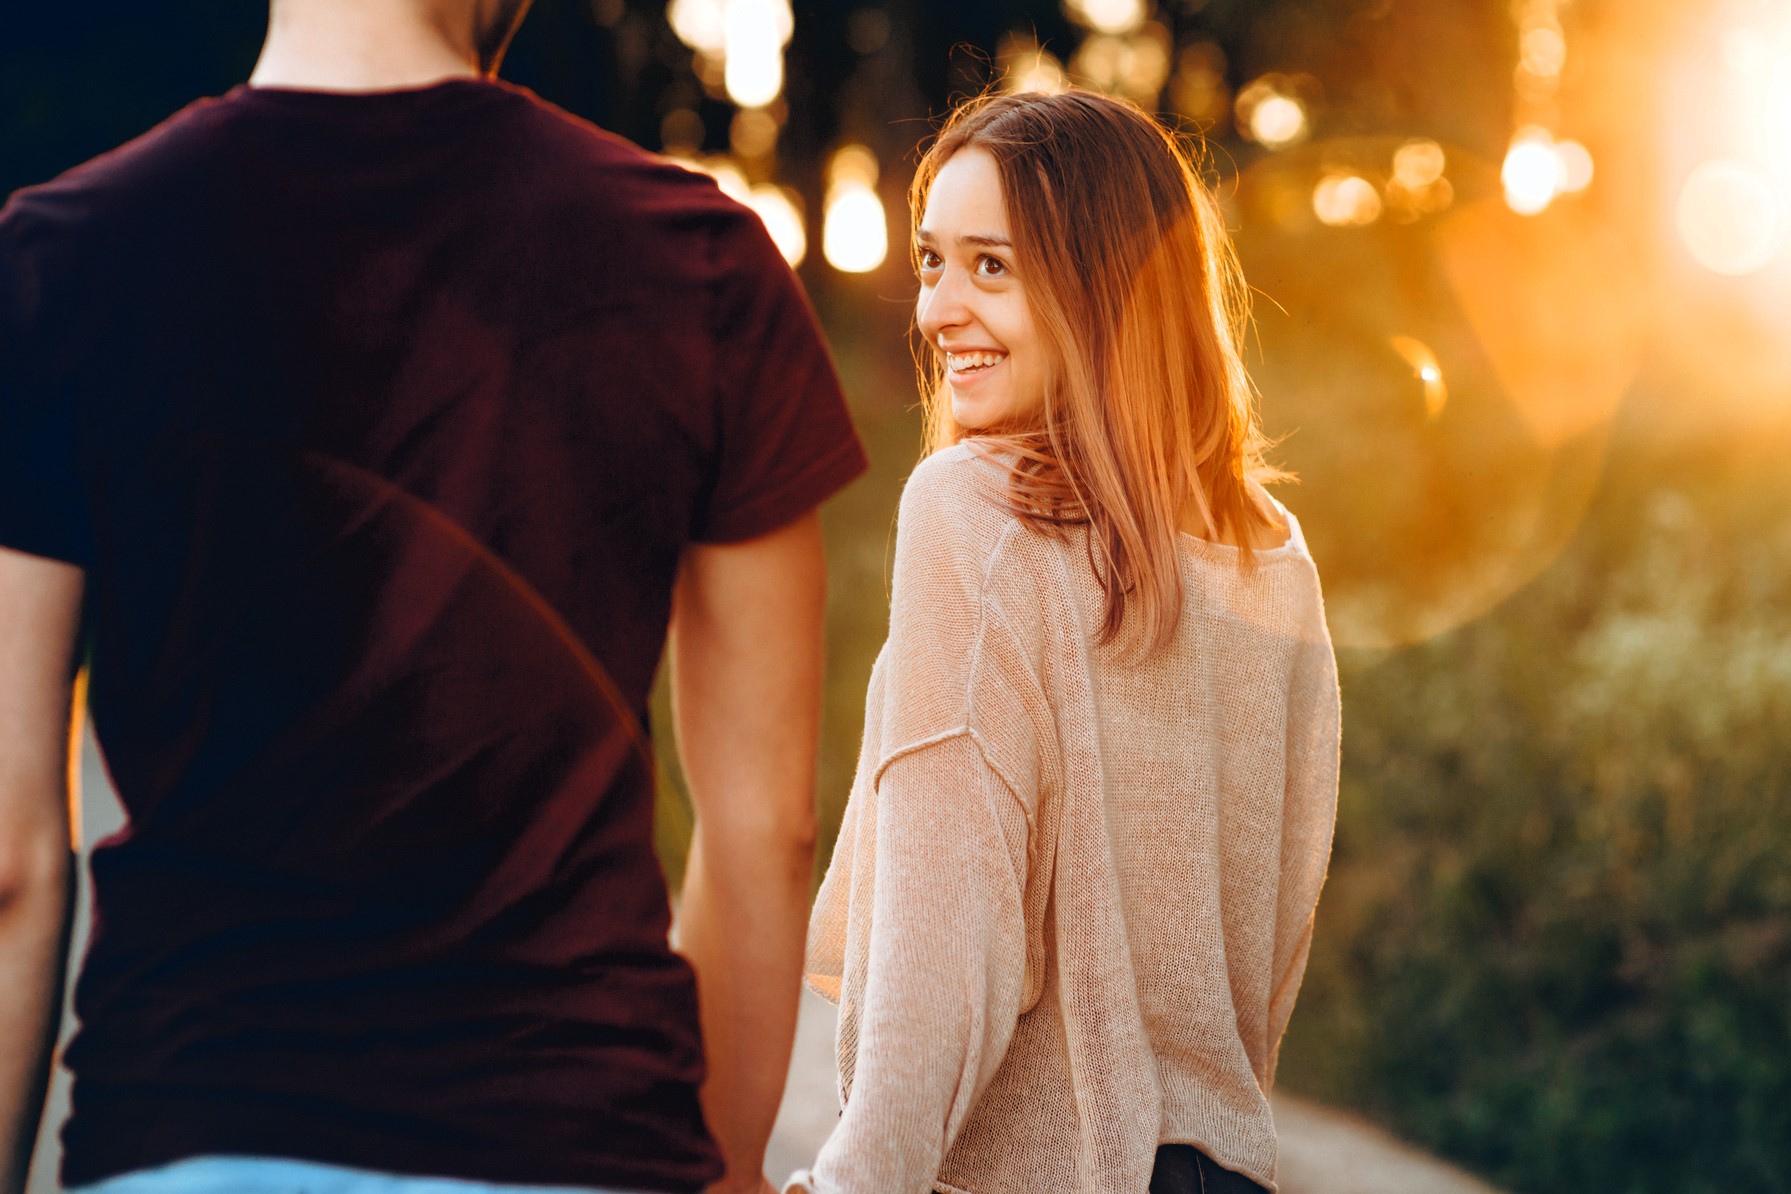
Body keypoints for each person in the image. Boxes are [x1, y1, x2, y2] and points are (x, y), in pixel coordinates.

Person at [0, 2, 866, 1192]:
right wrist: (710, 1165)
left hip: (190, 1129)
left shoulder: (63, 256)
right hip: (580, 1141)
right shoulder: (699, 260)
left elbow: (10, 860)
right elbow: (767, 828)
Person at [786, 90, 1340, 1194]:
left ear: (1104, 288)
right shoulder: (1270, 553)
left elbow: (949, 917)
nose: (941, 307)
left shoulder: (970, 511)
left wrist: (857, 1180)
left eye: (993, 266)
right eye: (933, 260)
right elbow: (1280, 928)